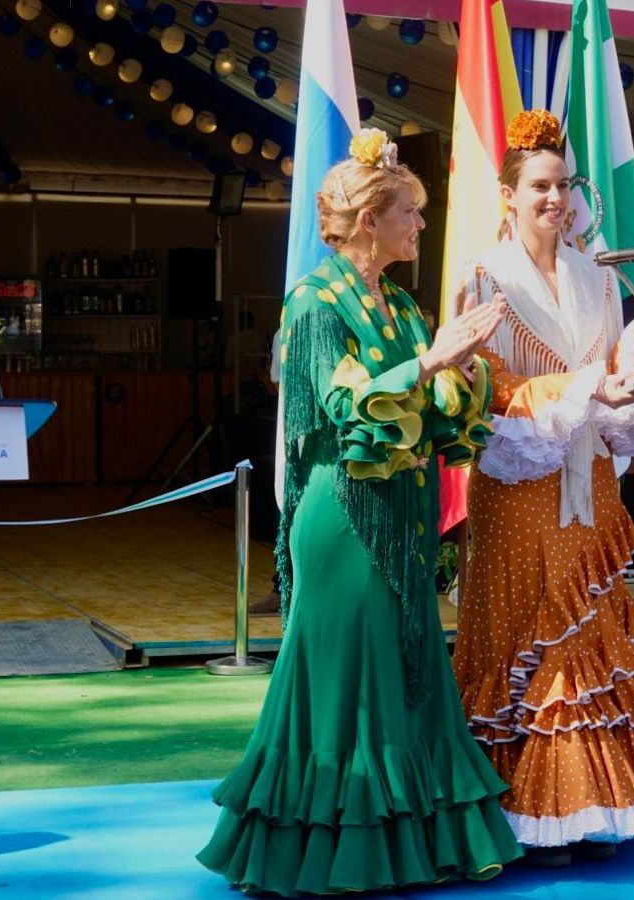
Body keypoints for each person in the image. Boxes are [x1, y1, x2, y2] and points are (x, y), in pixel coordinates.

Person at [197, 129, 523, 894]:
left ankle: (410, 845)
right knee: (349, 673)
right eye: (410, 211)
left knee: (402, 666)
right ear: (371, 217)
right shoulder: (314, 302)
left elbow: (432, 413)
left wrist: (461, 367)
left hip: (399, 514)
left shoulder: (402, 303)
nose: (420, 225)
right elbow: (345, 409)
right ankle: (323, 849)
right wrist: (432, 359)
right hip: (343, 518)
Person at [451, 110, 634, 867]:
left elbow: (613, 359)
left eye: (563, 185)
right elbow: (485, 388)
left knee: (586, 638)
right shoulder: (481, 277)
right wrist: (595, 381)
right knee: (529, 637)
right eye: (539, 186)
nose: (555, 199)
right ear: (508, 195)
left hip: (589, 480)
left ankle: (587, 809)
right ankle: (526, 810)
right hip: (520, 480)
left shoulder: (599, 273)